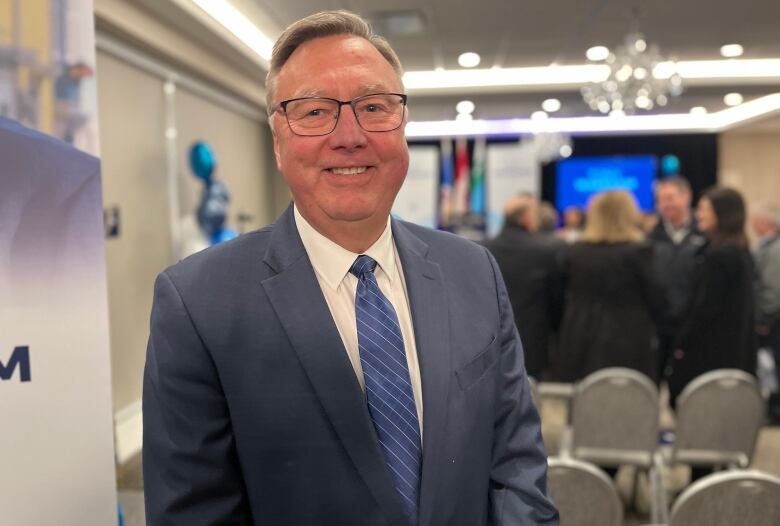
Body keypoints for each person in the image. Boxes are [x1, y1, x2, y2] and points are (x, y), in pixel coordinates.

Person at [142, 10, 558, 526]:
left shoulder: (473, 271)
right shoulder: (198, 304)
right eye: (315, 112)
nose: (350, 135)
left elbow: (517, 468)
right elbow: (194, 514)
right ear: (277, 142)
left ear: (402, 126)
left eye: (374, 106)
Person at [556, 191, 665, 382]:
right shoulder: (640, 253)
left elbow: (559, 295)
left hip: (579, 335)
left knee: (583, 401)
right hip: (629, 336)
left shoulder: (574, 253)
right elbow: (657, 299)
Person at [668, 187, 756, 405]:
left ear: (723, 213)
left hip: (709, 353)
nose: (699, 214)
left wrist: (681, 343)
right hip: (734, 352)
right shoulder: (740, 251)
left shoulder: (718, 256)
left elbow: (705, 307)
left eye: (705, 209)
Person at [484, 195, 564, 380]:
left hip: (490, 342)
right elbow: (556, 300)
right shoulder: (547, 252)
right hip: (533, 342)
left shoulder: (483, 248)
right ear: (527, 219)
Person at [647, 177, 706, 383]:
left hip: (693, 325)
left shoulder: (704, 236)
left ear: (686, 197)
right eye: (661, 200)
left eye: (670, 198)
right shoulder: (650, 238)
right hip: (658, 324)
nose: (666, 204)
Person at [751, 202, 780, 423]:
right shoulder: (765, 246)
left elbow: (772, 289)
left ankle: (775, 411)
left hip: (774, 321)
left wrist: (763, 319)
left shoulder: (775, 249)